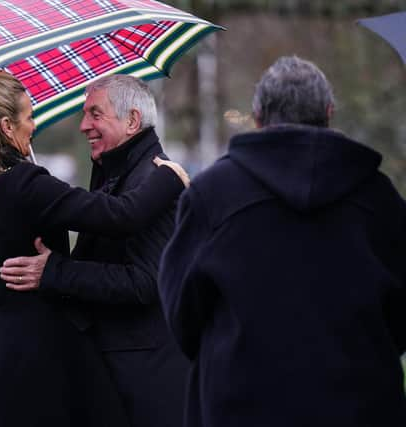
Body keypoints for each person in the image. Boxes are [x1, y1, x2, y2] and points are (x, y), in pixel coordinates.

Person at [158, 55, 406, 427]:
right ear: (329, 111)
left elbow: (182, 314)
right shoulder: (377, 197)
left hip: (239, 405)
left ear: (257, 116)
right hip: (360, 404)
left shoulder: (213, 194)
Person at [0, 71, 189, 427]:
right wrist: (171, 177)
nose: (33, 126)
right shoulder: (25, 183)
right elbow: (121, 216)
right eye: (29, 117)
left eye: (95, 114)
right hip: (48, 352)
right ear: (7, 127)